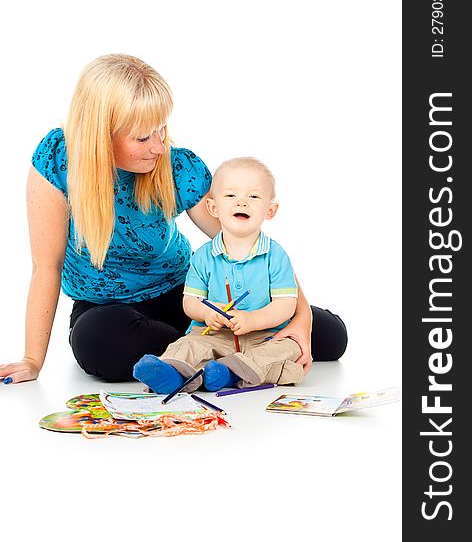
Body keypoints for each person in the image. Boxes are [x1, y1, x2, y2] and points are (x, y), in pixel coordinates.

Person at [0, 53, 347, 386]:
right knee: (100, 343)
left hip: (187, 296)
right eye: (143, 137)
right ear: (101, 135)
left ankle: (208, 354)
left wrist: (301, 317)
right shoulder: (58, 161)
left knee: (330, 338)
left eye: (161, 129)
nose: (159, 146)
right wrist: (32, 360)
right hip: (107, 311)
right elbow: (46, 267)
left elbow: (252, 244)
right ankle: (229, 353)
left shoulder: (178, 167)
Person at [133, 157, 305, 393]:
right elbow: (190, 301)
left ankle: (230, 374)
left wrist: (253, 320)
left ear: (270, 210)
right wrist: (207, 312)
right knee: (188, 344)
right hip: (214, 334)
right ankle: (171, 375)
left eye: (253, 196)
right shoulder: (203, 256)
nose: (242, 202)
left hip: (264, 336)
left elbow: (286, 305)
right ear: (213, 208)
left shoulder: (276, 255)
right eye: (231, 196)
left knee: (287, 349)